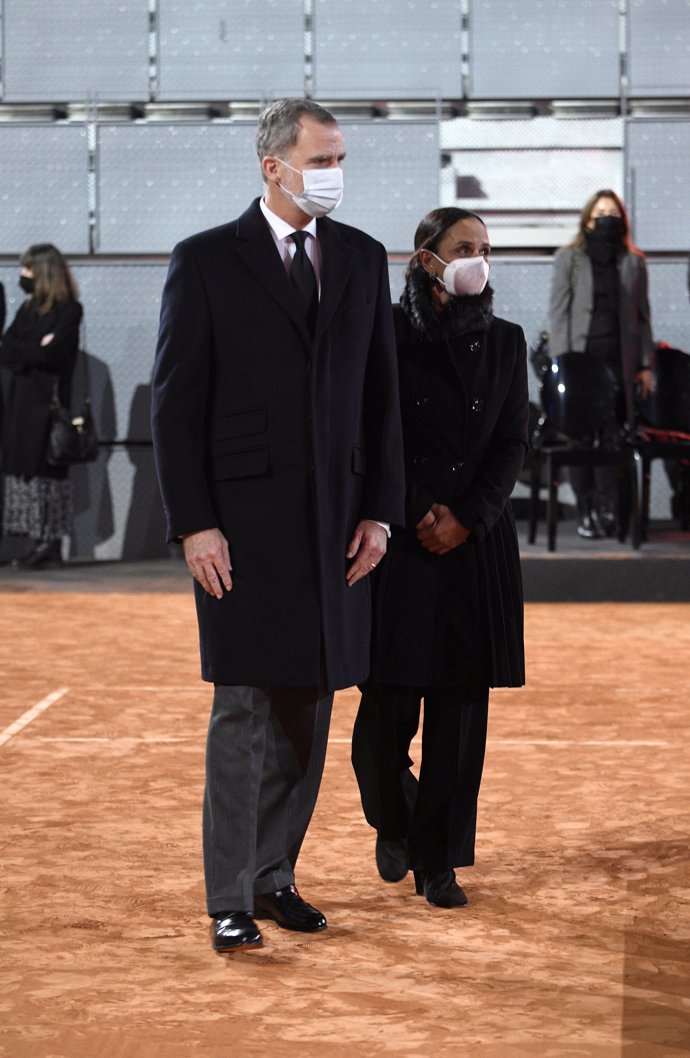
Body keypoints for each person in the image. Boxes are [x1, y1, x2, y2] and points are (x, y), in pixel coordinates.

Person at [151, 98, 405, 953]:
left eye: (340, 158)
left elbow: (381, 400)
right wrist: (195, 524)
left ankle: (274, 875)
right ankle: (229, 893)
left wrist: (380, 512)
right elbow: (176, 409)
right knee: (244, 704)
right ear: (274, 166)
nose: (335, 173)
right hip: (242, 529)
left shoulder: (362, 258)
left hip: (338, 524)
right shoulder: (203, 261)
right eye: (322, 158)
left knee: (311, 702)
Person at [351, 207, 528, 910]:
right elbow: (373, 430)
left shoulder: (507, 341)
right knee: (384, 712)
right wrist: (418, 506)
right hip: (401, 539)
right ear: (427, 259)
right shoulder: (388, 334)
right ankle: (393, 817)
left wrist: (468, 518)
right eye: (463, 247)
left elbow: (511, 443)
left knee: (460, 717)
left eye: (484, 248)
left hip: (475, 544)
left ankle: (438, 862)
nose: (478, 259)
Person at [548, 189, 654, 538]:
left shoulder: (633, 261)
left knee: (613, 436)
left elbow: (643, 316)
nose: (607, 218)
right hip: (581, 359)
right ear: (588, 220)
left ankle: (608, 510)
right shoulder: (570, 258)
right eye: (600, 213)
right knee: (579, 437)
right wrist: (561, 364)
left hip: (619, 359)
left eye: (613, 213)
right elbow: (558, 313)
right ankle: (585, 510)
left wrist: (645, 364)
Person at [0, 244, 82, 568]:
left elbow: (52, 355)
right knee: (26, 475)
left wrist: (30, 350)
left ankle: (50, 544)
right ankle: (36, 542)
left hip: (48, 406)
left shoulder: (69, 310)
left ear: (43, 272)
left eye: (28, 269)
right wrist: (36, 347)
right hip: (22, 404)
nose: (23, 275)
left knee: (48, 474)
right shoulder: (28, 308)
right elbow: (6, 349)